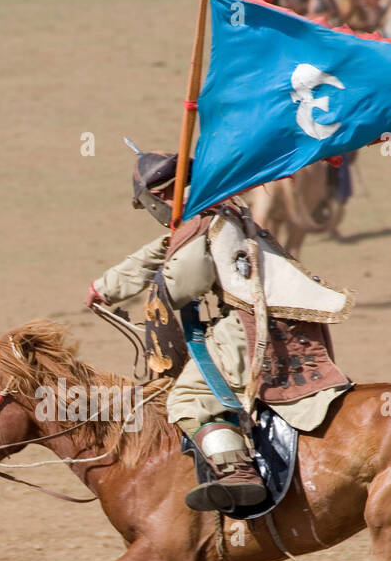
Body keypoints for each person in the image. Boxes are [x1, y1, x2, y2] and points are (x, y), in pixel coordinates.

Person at [85, 149, 353, 513]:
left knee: (187, 398)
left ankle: (238, 473)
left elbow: (185, 281)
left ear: (158, 197)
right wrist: (105, 287)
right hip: (278, 321)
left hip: (248, 325)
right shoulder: (220, 210)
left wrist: (155, 294)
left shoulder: (203, 221)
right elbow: (164, 251)